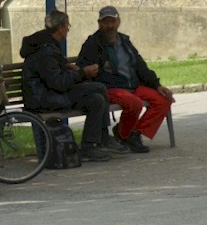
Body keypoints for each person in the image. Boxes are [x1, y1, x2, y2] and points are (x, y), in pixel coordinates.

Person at [19, 9, 130, 162]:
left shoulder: (47, 44)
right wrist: (82, 73)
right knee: (98, 88)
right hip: (43, 99)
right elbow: (58, 83)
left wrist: (66, 66)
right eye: (67, 26)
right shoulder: (46, 50)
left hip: (49, 94)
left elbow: (52, 73)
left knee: (96, 99)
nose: (68, 29)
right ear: (60, 28)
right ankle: (102, 138)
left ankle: (89, 146)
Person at [77, 6, 176, 153]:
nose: (109, 26)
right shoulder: (93, 43)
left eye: (112, 21)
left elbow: (140, 65)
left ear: (119, 21)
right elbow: (83, 67)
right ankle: (124, 135)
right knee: (134, 103)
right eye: (105, 22)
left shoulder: (125, 41)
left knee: (164, 99)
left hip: (132, 85)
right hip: (109, 88)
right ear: (99, 23)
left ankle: (134, 133)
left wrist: (157, 85)